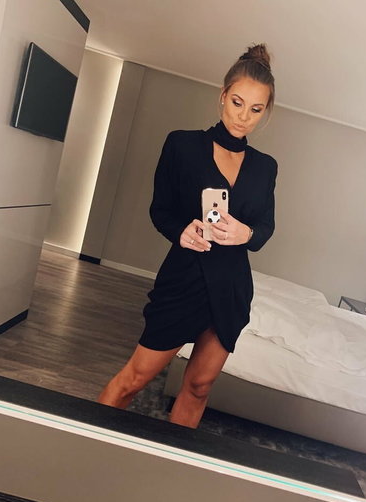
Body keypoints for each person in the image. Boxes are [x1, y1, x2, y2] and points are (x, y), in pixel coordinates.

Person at [97, 43, 277, 429]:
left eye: (255, 109)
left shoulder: (265, 167)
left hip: (230, 287)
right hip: (184, 279)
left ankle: (169, 459)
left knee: (199, 387)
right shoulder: (182, 144)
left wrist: (245, 232)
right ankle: (80, 447)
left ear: (265, 112)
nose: (243, 116)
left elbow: (265, 228)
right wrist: (181, 231)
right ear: (223, 96)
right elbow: (160, 210)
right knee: (134, 379)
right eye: (238, 102)